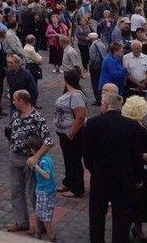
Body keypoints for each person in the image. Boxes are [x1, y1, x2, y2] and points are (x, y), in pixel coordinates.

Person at [83, 91, 141, 243]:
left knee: (96, 214)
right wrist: (137, 177)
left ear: (105, 105)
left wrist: (94, 169)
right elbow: (137, 155)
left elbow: (87, 152)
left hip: (100, 178)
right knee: (122, 215)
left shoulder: (94, 123)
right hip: (124, 179)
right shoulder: (131, 125)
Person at [6, 90, 54, 234]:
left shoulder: (37, 118)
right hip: (14, 157)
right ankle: (21, 222)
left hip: (29, 161)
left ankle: (41, 225)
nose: (13, 102)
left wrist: (36, 157)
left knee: (33, 193)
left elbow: (48, 141)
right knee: (16, 190)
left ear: (21, 101)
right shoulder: (15, 115)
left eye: (14, 99)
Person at [121, 96, 147, 242]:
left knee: (140, 203)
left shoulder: (138, 123)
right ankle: (134, 230)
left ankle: (137, 229)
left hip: (145, 171)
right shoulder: (133, 127)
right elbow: (128, 149)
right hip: (139, 171)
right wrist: (141, 155)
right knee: (136, 203)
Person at [53, 70, 87, 198]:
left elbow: (80, 117)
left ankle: (77, 188)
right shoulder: (70, 93)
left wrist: (71, 133)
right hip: (64, 133)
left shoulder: (76, 95)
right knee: (68, 159)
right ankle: (68, 182)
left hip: (72, 134)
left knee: (74, 160)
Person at [29, 134, 57, 241]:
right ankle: (38, 231)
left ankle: (51, 235)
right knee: (39, 210)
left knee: (45, 214)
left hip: (46, 190)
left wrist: (35, 165)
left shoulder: (44, 160)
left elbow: (46, 175)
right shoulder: (42, 157)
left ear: (33, 149)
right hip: (41, 189)